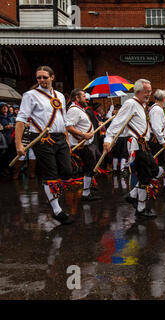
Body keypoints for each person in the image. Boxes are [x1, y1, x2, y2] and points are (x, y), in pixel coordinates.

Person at [15, 66, 74, 225]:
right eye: (39, 78)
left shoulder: (60, 96)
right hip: (41, 138)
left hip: (60, 137)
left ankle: (52, 195)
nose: (41, 80)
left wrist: (67, 139)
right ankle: (57, 210)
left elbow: (64, 119)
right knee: (51, 173)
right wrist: (19, 143)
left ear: (52, 77)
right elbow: (21, 119)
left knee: (67, 171)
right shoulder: (30, 95)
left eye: (44, 77)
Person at [105, 79, 161, 217]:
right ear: (138, 91)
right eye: (147, 91)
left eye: (150, 91)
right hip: (136, 146)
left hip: (144, 145)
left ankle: (132, 195)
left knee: (153, 170)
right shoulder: (130, 103)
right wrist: (108, 139)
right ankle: (140, 209)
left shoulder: (141, 105)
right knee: (145, 176)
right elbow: (117, 123)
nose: (150, 94)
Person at [66, 89, 101, 201]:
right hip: (80, 145)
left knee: (91, 166)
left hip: (86, 144)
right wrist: (83, 135)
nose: (86, 98)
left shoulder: (80, 109)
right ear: (77, 98)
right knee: (89, 167)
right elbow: (69, 127)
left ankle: (88, 189)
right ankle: (86, 193)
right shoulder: (74, 110)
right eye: (83, 96)